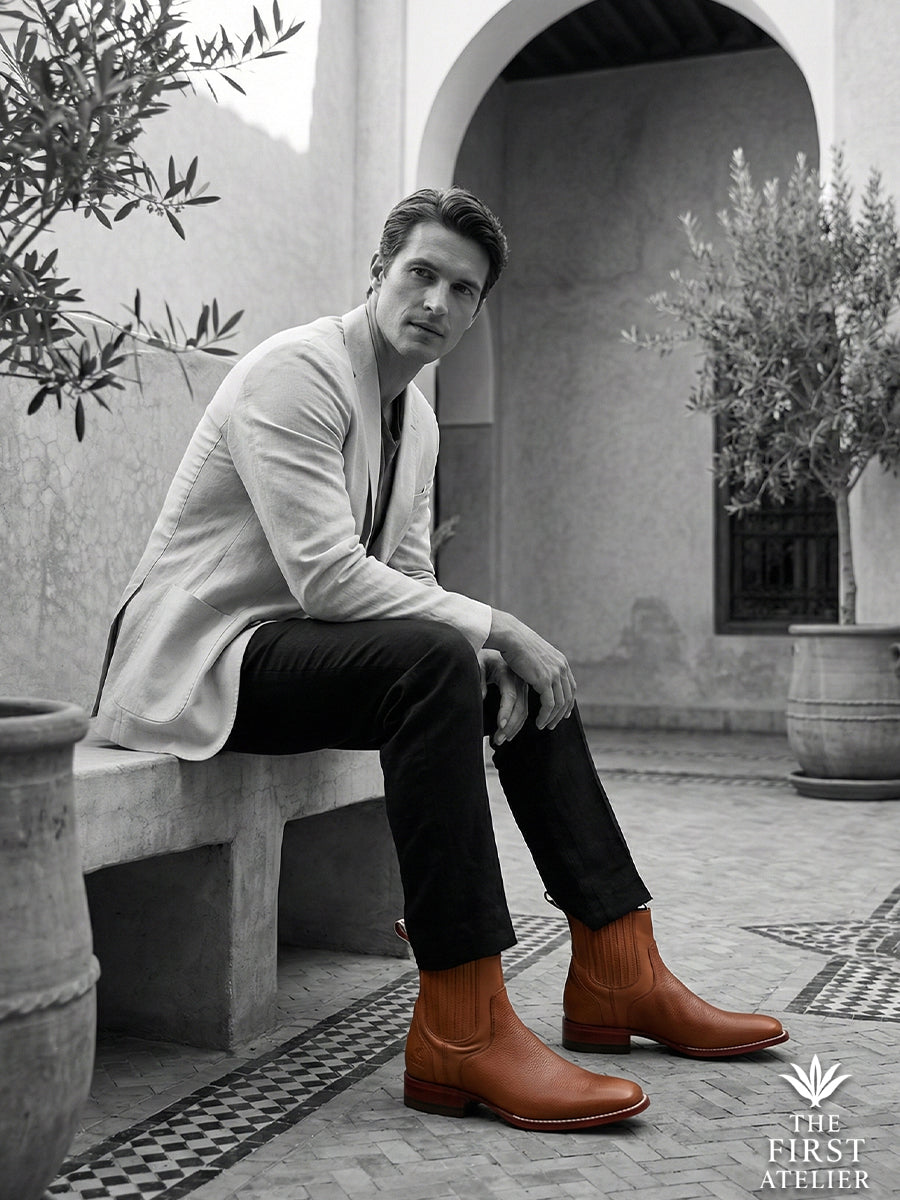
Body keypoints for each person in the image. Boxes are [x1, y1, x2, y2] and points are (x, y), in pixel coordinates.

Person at [93, 186, 788, 1133]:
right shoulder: (294, 374)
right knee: (455, 654)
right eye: (421, 274)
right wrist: (495, 626)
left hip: (298, 650)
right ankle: (462, 1026)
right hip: (199, 657)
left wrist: (497, 648)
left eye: (463, 291)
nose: (438, 303)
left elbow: (406, 573)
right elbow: (332, 581)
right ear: (378, 272)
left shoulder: (411, 417)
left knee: (516, 672)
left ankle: (618, 965)